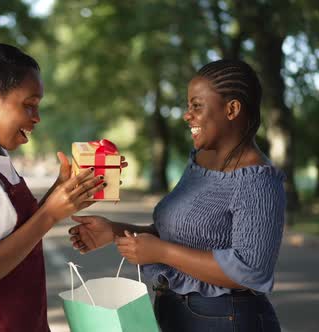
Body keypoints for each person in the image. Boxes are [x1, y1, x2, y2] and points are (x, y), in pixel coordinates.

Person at [69, 59, 285, 332]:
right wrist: (114, 231)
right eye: (188, 106)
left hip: (228, 321)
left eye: (197, 106)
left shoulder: (258, 181)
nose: (187, 115)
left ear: (232, 109)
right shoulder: (200, 161)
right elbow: (175, 235)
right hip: (177, 315)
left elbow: (251, 271)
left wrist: (162, 252)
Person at [0, 43, 110, 332]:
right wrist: (50, 213)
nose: (36, 117)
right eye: (29, 104)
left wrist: (61, 191)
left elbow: (12, 232)